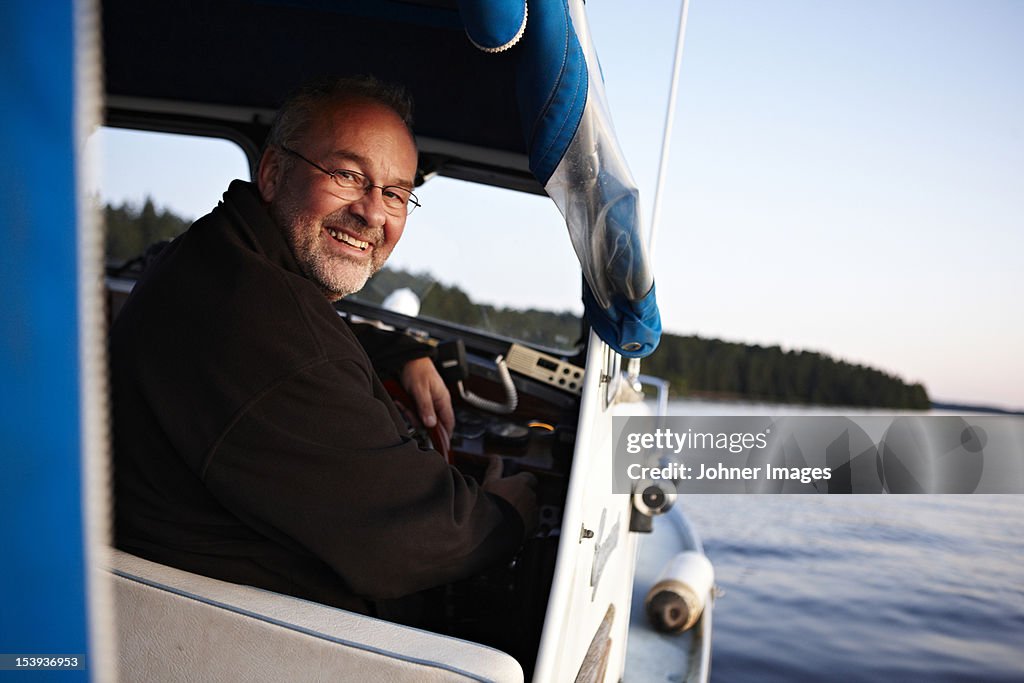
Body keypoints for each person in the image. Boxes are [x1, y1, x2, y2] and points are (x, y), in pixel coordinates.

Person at [110, 76, 538, 623]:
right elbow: (412, 539)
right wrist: (508, 512)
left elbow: (301, 342)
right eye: (347, 175)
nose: (373, 213)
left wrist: (396, 350)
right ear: (272, 173)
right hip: (241, 635)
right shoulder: (270, 336)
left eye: (396, 193)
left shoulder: (215, 259)